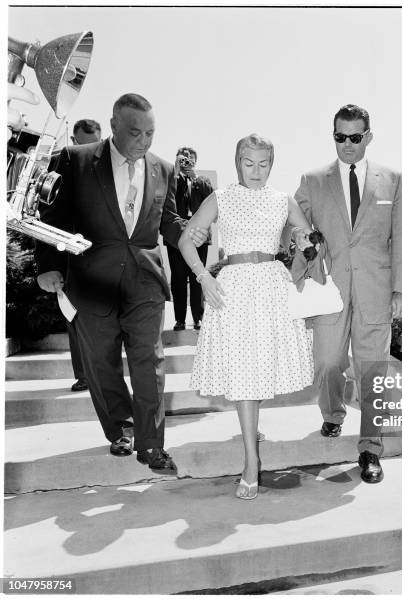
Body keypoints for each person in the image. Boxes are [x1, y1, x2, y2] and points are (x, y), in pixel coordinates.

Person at [36, 93, 188, 474]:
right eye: (135, 131)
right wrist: (49, 265)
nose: (143, 140)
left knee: (149, 361)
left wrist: (197, 233)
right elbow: (53, 213)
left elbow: (168, 222)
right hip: (91, 278)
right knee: (101, 362)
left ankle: (152, 446)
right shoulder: (76, 159)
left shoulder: (164, 169)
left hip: (145, 281)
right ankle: (121, 428)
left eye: (150, 132)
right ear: (115, 125)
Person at [178, 134, 314, 500]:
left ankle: (251, 431)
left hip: (272, 285)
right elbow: (187, 240)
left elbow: (306, 235)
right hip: (233, 288)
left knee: (259, 369)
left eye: (264, 164)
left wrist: (305, 242)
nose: (256, 171)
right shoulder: (220, 198)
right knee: (242, 373)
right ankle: (251, 461)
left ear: (273, 163)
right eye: (249, 163)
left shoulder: (282, 200)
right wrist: (203, 277)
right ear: (238, 161)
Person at [292, 104, 402, 484]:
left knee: (373, 370)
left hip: (376, 291)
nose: (347, 144)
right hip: (329, 288)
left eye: (355, 137)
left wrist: (401, 290)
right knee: (327, 362)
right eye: (340, 137)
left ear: (368, 138)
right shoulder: (312, 181)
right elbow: (291, 228)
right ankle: (332, 413)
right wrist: (301, 240)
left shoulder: (393, 179)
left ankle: (371, 448)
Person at [65, 119, 103, 392]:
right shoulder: (65, 163)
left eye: (95, 145)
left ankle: (104, 372)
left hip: (108, 260)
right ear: (74, 141)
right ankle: (83, 374)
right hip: (73, 259)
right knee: (74, 318)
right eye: (83, 145)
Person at [166, 147, 214, 331]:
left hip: (199, 236)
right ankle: (179, 319)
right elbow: (167, 195)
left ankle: (198, 318)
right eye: (183, 159)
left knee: (198, 277)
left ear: (195, 161)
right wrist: (177, 172)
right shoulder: (173, 179)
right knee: (178, 279)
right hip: (176, 236)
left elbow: (212, 198)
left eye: (190, 160)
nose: (187, 163)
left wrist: (194, 177)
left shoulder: (202, 180)